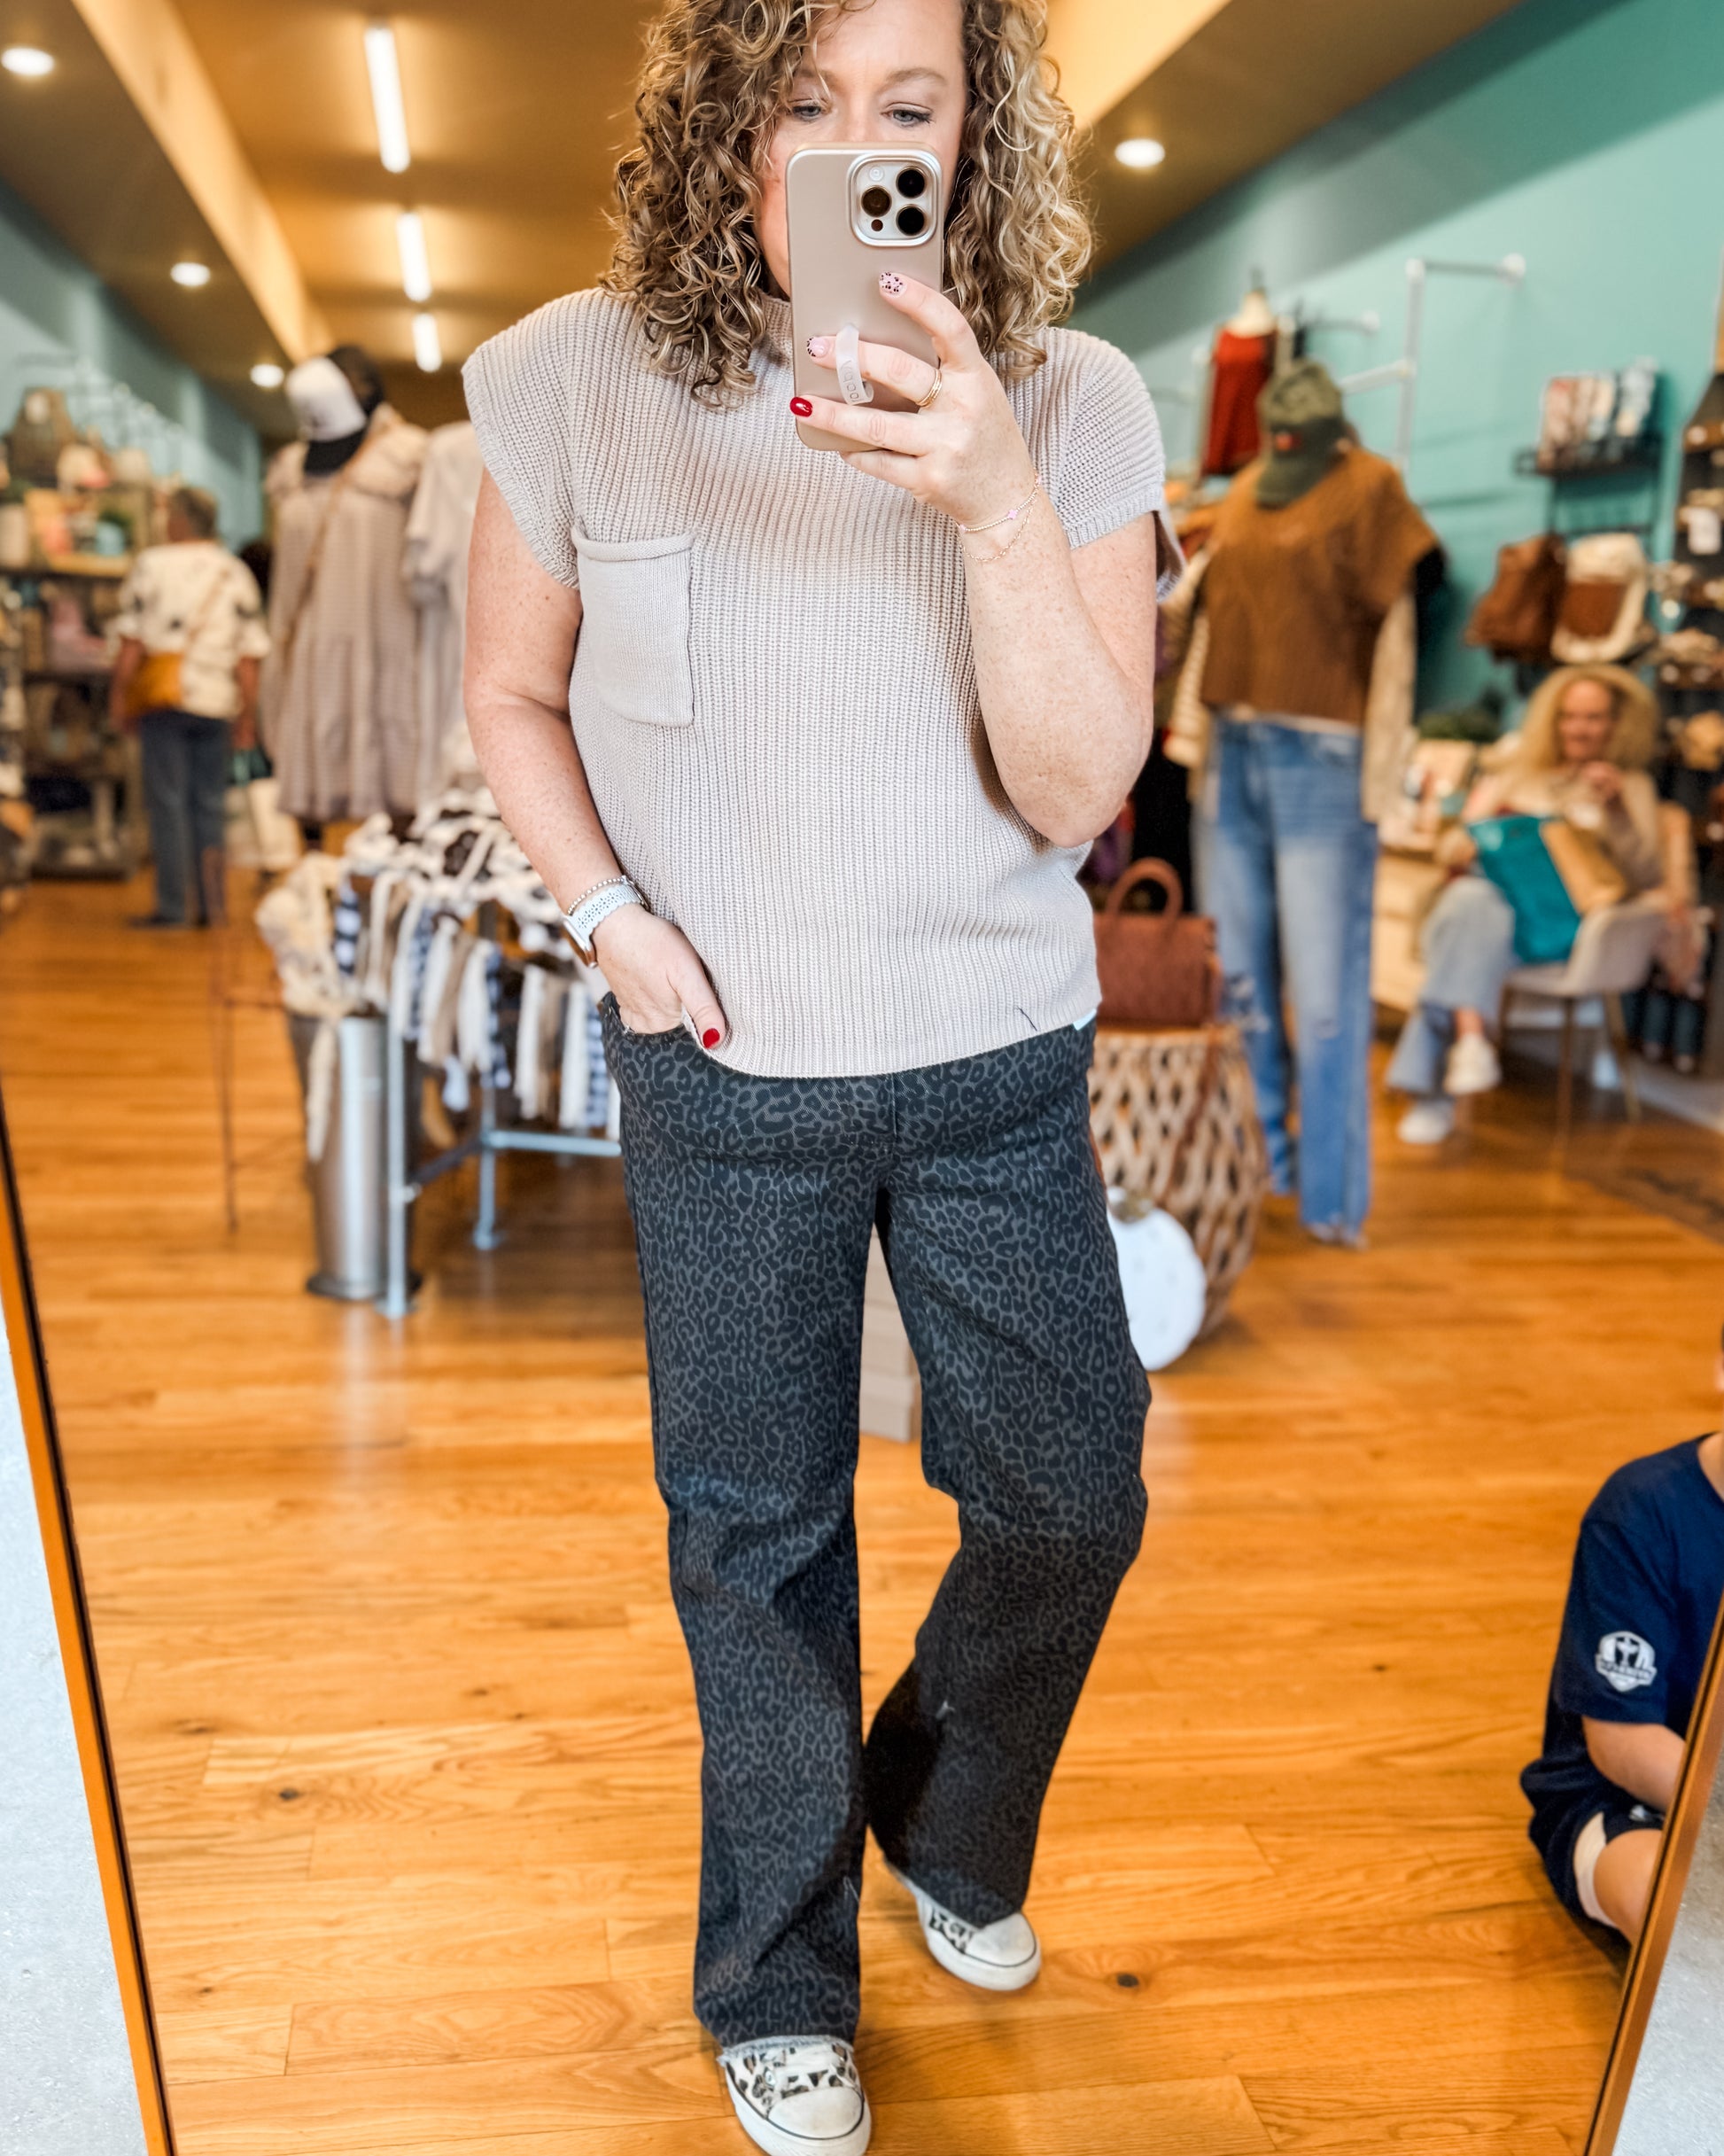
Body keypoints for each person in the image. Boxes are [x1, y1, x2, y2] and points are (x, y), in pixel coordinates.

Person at [461, 1, 1168, 2148]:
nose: (853, 146)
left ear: (973, 139)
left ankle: (937, 1819)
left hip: (995, 1060)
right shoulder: (572, 376)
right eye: (802, 98)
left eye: (909, 105)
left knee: (1073, 1490)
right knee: (753, 1539)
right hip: (728, 1059)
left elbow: (1077, 786)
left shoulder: (1076, 398)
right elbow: (511, 694)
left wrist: (988, 499)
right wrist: (609, 918)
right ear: (724, 118)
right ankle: (779, 1973)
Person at [1391, 665, 1664, 1144]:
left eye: (1594, 717)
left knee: (1467, 916)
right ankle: (1469, 1042)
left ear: (1616, 723)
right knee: (1476, 904)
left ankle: (1445, 1077)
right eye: (1570, 716)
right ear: (1552, 719)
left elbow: (1645, 878)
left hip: (1560, 929)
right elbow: (1450, 845)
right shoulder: (1516, 776)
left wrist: (1617, 810)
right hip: (1494, 920)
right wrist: (1476, 841)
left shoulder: (1630, 787)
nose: (1580, 728)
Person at [1521, 1359, 1724, 1942]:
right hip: (1630, 1796)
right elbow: (1621, 1744)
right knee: (1683, 1916)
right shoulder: (1641, 1511)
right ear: (1722, 1370)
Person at [109, 486, 269, 928]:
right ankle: (213, 908)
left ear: (177, 520)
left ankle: (174, 907)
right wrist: (248, 717)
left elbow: (131, 645)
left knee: (167, 803)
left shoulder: (152, 566)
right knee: (211, 804)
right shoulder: (234, 573)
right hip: (218, 703)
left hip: (166, 699)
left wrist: (119, 697)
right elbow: (248, 659)